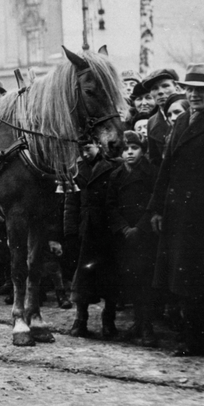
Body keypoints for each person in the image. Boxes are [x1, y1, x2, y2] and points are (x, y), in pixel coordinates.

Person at [146, 63, 204, 357]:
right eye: (190, 89)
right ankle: (189, 337)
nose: (195, 95)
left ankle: (199, 340)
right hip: (177, 212)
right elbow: (166, 169)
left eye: (202, 91)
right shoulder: (183, 120)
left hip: (202, 214)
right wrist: (157, 209)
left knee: (199, 278)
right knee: (180, 278)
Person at [66, 138, 121, 339]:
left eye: (88, 148)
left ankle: (109, 320)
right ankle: (81, 319)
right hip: (85, 228)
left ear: (98, 144)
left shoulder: (114, 166)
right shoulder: (75, 170)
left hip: (107, 227)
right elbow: (70, 203)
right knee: (83, 276)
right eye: (81, 150)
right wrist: (70, 231)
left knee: (110, 275)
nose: (84, 153)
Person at [108, 131, 159, 346]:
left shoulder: (151, 173)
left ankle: (146, 326)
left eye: (134, 148)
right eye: (125, 149)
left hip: (144, 235)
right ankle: (137, 324)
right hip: (124, 236)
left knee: (145, 280)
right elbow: (110, 205)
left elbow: (155, 202)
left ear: (143, 151)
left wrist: (139, 228)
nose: (129, 153)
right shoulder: (116, 176)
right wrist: (123, 228)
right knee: (129, 279)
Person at [142, 67, 180, 166]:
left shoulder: (191, 112)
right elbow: (154, 161)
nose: (160, 92)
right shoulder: (152, 122)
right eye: (154, 88)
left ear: (177, 88)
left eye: (165, 86)